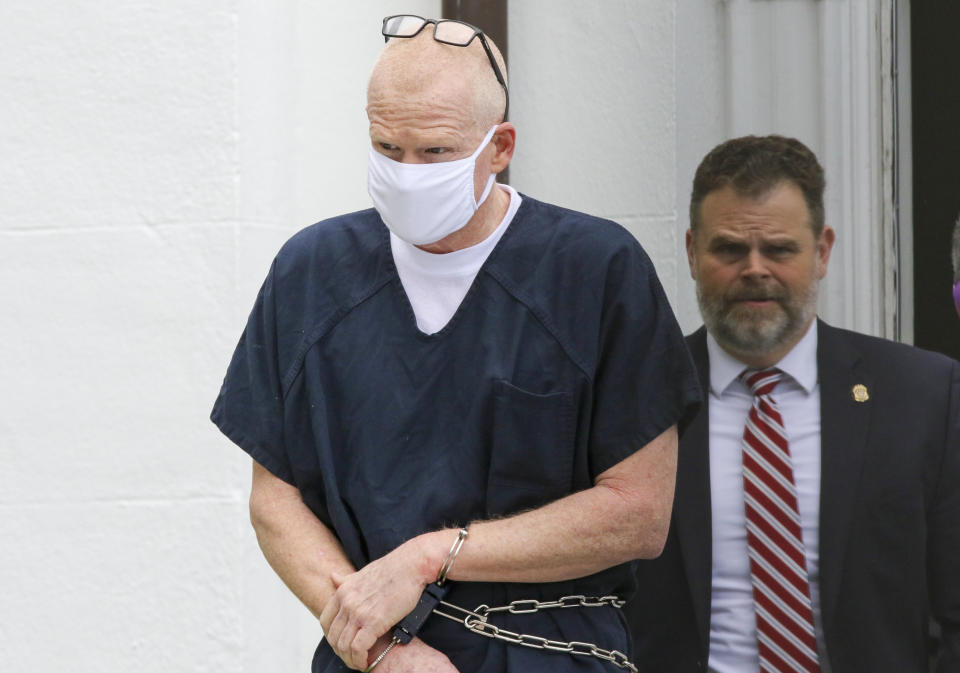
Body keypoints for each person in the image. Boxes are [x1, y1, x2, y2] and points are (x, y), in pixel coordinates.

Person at [212, 15, 700, 673]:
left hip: (550, 652)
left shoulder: (593, 271)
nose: (406, 172)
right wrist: (384, 651)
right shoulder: (313, 273)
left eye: (435, 152)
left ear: (499, 146)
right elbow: (275, 498)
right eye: (387, 148)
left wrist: (431, 554)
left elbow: (638, 514)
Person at [625, 134, 960, 673]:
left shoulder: (925, 396)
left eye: (780, 250)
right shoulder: (636, 398)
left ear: (822, 250)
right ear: (691, 251)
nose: (755, 269)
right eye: (729, 249)